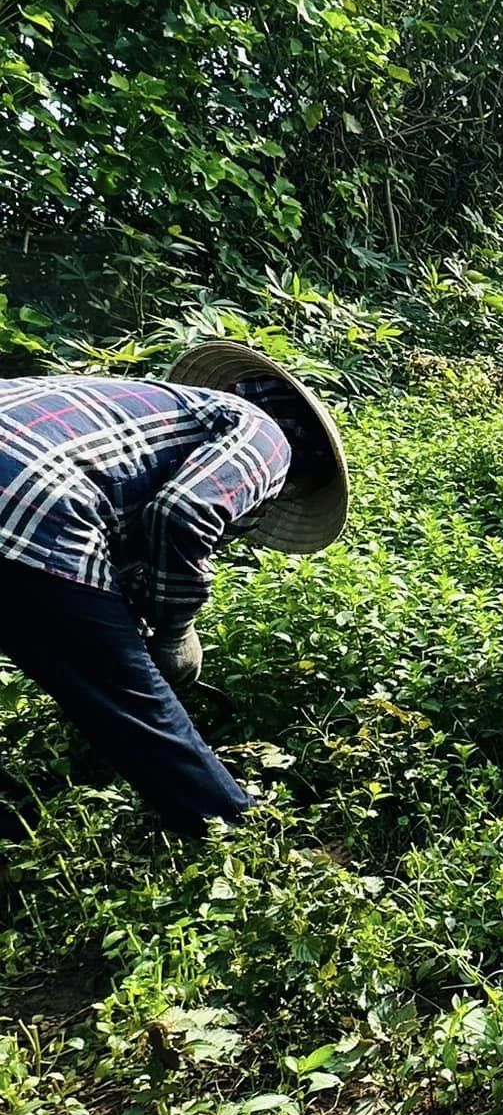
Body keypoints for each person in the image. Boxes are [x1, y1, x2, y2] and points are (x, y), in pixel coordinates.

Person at [0, 343, 349, 834]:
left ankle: (17, 835)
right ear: (298, 476)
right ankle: (248, 846)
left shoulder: (144, 407)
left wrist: (133, 623)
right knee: (135, 709)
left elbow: (115, 553)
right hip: (27, 505)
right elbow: (183, 513)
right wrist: (174, 630)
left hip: (21, 489)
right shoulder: (269, 436)